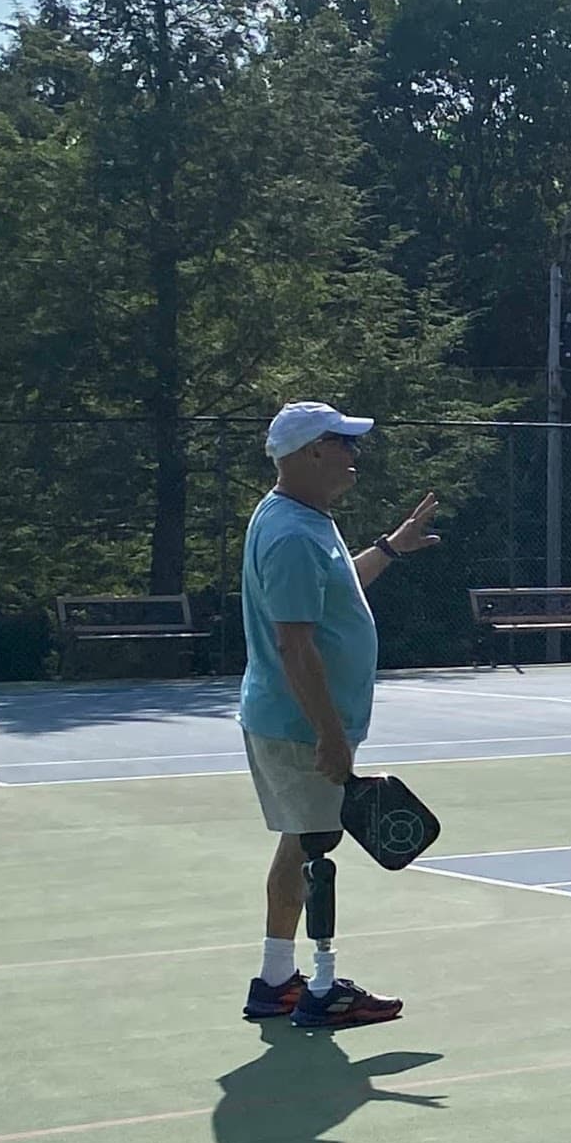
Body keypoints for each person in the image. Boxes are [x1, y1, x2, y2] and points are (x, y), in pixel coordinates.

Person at [237, 402, 440, 1029]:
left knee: (298, 844)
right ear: (308, 454)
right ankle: (322, 990)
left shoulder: (303, 521)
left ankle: (276, 982)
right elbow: (294, 645)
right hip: (301, 726)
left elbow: (338, 591)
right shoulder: (295, 534)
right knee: (317, 851)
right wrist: (330, 734)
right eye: (341, 443)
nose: (354, 456)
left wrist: (389, 549)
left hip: (290, 720)